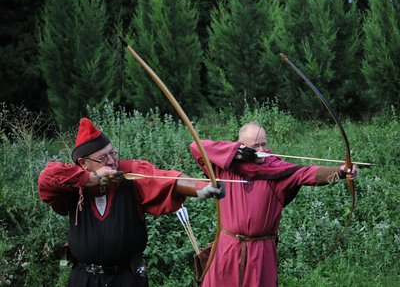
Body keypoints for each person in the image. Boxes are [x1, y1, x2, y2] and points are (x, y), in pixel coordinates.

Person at [38, 117, 224, 287]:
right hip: (84, 279)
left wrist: (202, 188)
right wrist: (92, 179)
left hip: (127, 278)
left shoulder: (129, 173)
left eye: (113, 153)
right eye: (103, 158)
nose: (112, 161)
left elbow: (164, 179)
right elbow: (47, 178)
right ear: (84, 163)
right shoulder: (73, 182)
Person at [190, 122, 357, 287]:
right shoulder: (225, 169)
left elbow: (306, 173)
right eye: (256, 146)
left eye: (264, 144)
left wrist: (340, 172)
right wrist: (236, 153)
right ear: (242, 146)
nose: (262, 150)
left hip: (260, 253)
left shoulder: (276, 170)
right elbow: (196, 147)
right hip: (227, 248)